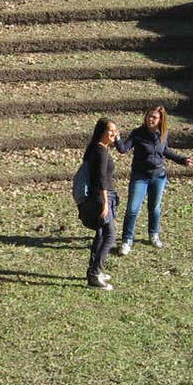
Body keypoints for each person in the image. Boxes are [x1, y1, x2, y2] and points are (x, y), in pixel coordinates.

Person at [116, 106, 193, 255]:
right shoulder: (137, 133)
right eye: (149, 116)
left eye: (154, 117)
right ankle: (127, 240)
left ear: (160, 120)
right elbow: (124, 149)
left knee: (155, 208)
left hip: (158, 176)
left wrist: (182, 160)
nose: (150, 119)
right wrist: (118, 138)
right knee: (133, 209)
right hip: (140, 176)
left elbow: (165, 150)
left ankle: (153, 234)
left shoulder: (163, 134)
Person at [82, 117, 120, 290]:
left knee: (100, 235)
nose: (113, 133)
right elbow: (101, 179)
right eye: (109, 131)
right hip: (102, 197)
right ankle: (95, 275)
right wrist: (105, 203)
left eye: (115, 130)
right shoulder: (101, 151)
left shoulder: (95, 148)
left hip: (98, 196)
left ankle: (94, 271)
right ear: (102, 132)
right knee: (110, 236)